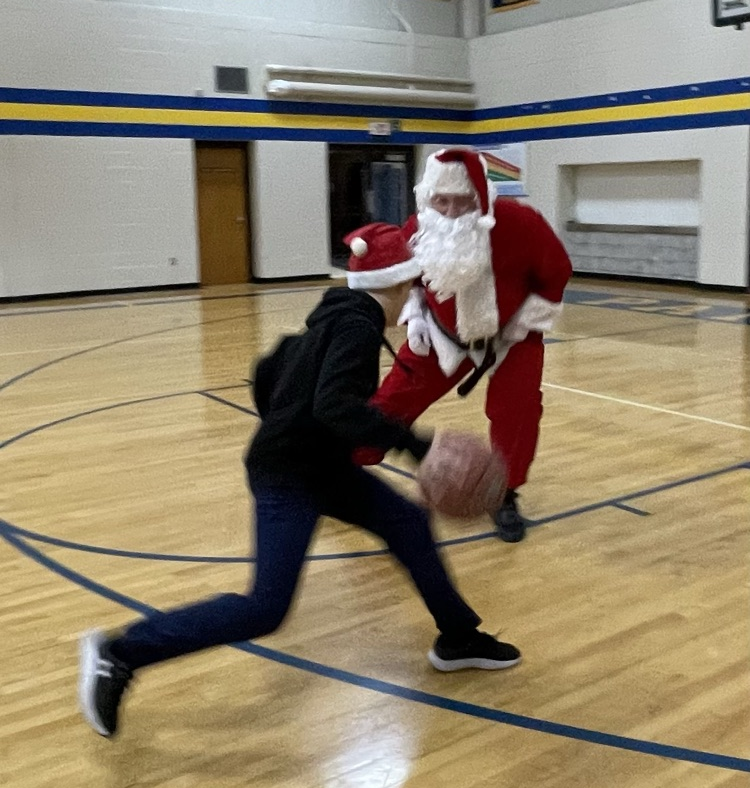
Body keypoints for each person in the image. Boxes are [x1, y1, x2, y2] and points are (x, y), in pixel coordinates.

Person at [78, 222, 521, 739]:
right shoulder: (356, 327)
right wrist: (417, 445)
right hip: (289, 475)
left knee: (407, 522)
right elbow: (333, 404)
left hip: (318, 464)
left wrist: (290, 422)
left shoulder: (334, 315)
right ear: (403, 284)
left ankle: (459, 638)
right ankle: (120, 653)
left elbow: (268, 370)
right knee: (265, 608)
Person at [356, 149, 573, 543]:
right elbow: (404, 280)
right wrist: (416, 313)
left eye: (463, 200)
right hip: (441, 332)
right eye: (443, 200)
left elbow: (556, 272)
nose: (453, 210)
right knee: (392, 400)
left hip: (513, 336)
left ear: (482, 196)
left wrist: (524, 324)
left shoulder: (521, 223)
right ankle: (348, 465)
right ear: (427, 197)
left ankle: (505, 494)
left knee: (518, 411)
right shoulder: (416, 229)